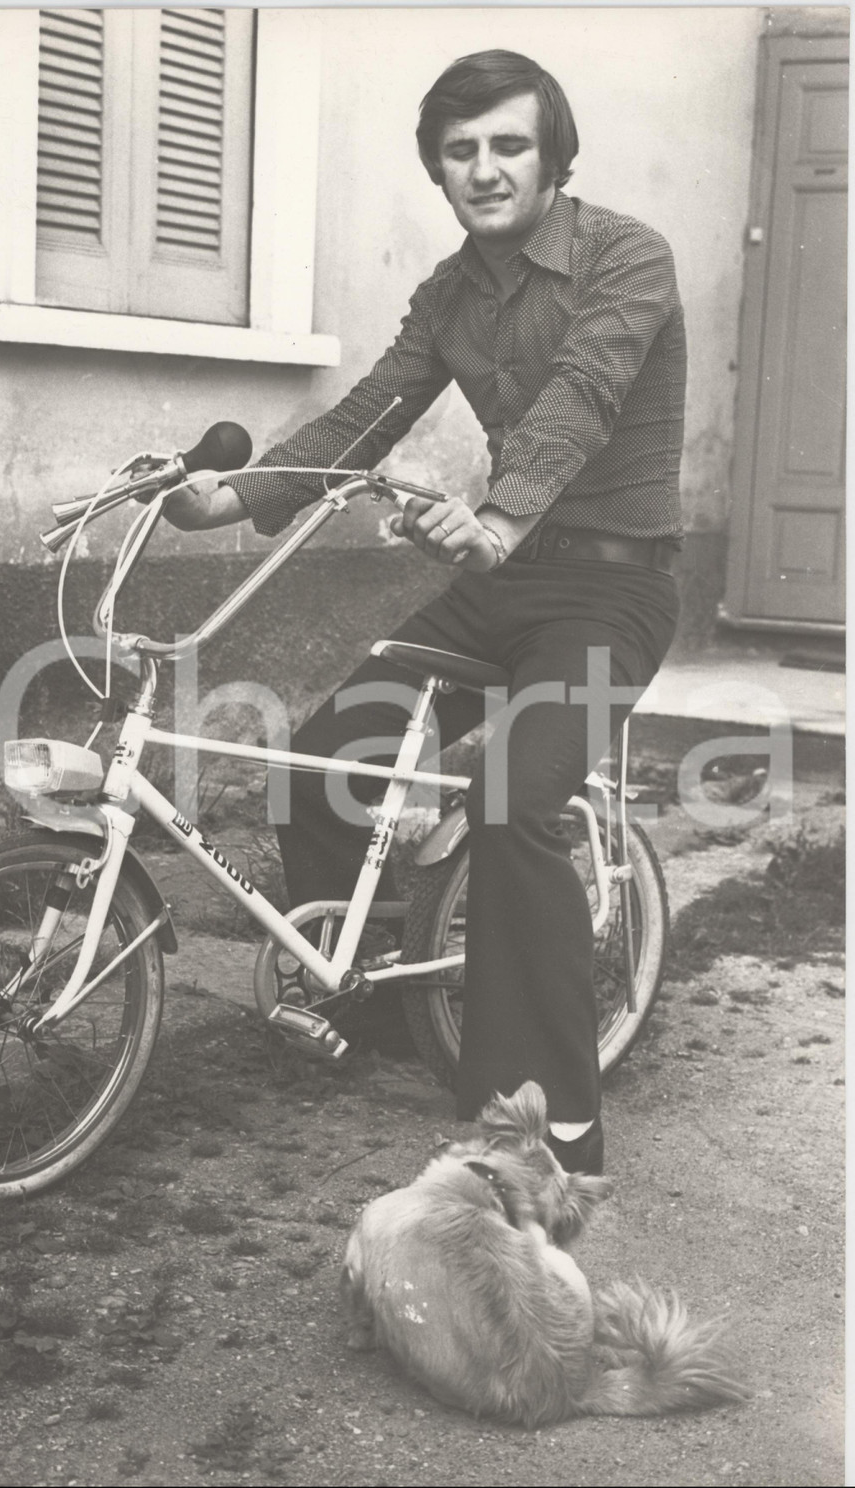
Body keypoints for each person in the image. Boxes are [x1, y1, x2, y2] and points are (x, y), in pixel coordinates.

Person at [157, 50, 685, 1176]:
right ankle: (374, 1006)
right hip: (501, 583)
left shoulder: (625, 255)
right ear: (436, 168)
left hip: (613, 591)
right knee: (321, 760)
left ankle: (550, 1128)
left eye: (508, 145)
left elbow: (582, 397)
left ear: (553, 155)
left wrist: (496, 515)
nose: (484, 170)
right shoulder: (449, 296)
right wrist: (221, 500)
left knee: (510, 805)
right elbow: (361, 420)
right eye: (460, 151)